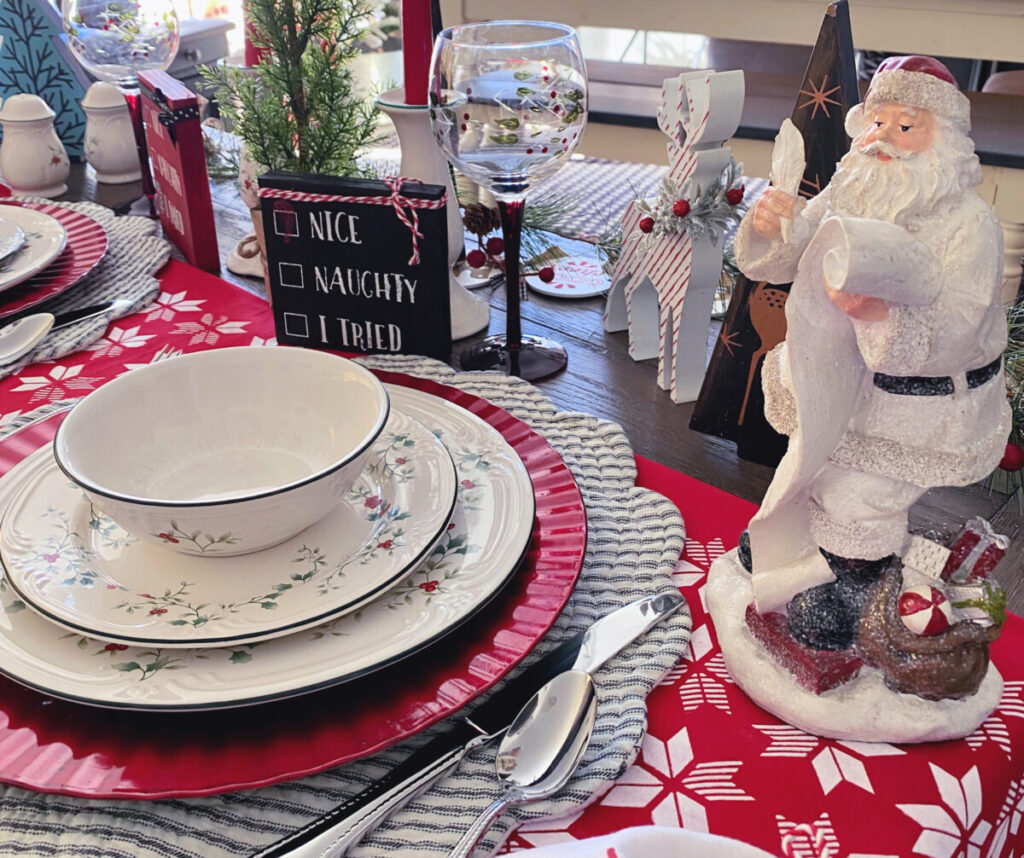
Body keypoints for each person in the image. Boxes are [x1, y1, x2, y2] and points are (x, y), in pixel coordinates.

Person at [733, 55, 1011, 651]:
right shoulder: (852, 186)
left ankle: (854, 584)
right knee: (808, 465)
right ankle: (791, 544)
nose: (883, 137)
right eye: (876, 122)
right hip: (832, 377)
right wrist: (773, 224)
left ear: (947, 143)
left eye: (906, 127)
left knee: (862, 497)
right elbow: (791, 254)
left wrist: (885, 319)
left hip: (911, 407)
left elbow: (961, 324)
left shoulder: (970, 225)